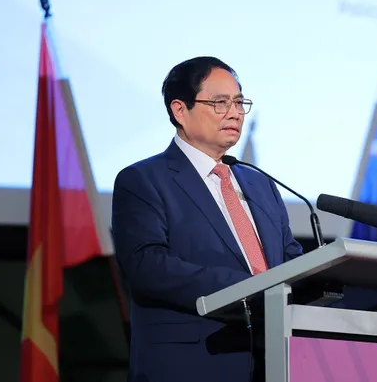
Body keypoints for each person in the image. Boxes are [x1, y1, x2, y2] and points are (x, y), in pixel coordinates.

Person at [111, 56, 303, 382]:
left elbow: (289, 260)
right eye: (220, 102)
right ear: (179, 110)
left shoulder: (260, 184)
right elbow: (147, 266)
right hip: (193, 363)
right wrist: (251, 290)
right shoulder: (144, 180)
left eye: (240, 103)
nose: (235, 113)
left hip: (276, 362)